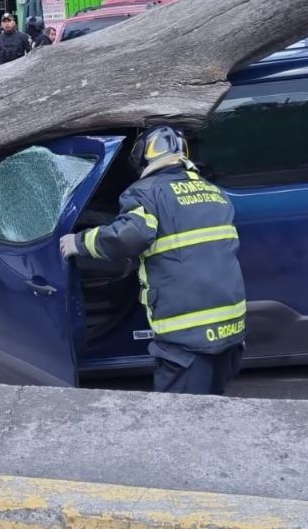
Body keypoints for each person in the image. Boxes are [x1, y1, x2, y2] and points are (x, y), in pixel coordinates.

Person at [59, 126, 247, 395]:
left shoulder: (145, 192)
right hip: (230, 329)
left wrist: (78, 243)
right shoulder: (214, 192)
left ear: (143, 157)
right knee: (212, 409)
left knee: (177, 419)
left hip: (186, 336)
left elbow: (129, 237)